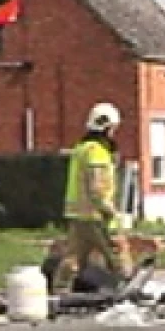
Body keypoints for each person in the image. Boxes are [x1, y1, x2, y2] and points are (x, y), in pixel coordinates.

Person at [55, 102, 129, 294]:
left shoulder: (80, 149)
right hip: (97, 217)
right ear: (107, 128)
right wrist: (112, 213)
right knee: (117, 254)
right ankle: (126, 290)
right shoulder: (97, 152)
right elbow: (96, 188)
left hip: (78, 216)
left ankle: (60, 291)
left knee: (73, 258)